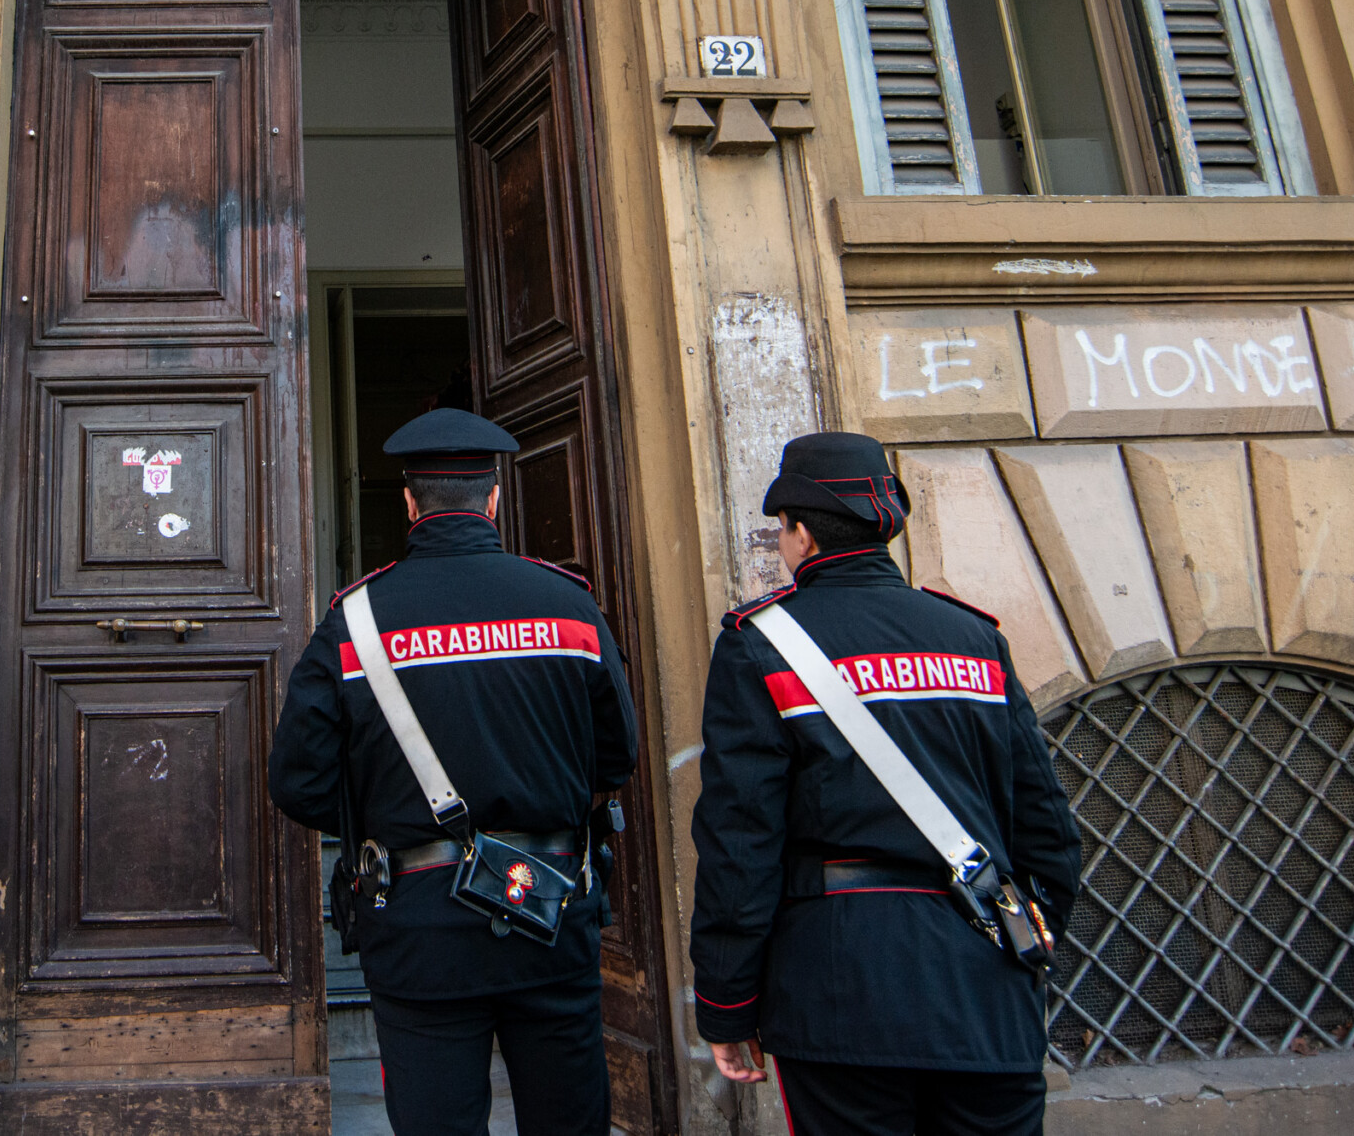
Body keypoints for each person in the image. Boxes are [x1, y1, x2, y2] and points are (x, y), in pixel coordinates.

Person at [688, 432, 1081, 1136]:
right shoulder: (974, 639)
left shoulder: (760, 645)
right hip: (986, 984)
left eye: (783, 529)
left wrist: (727, 1002)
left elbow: (740, 842)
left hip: (841, 993)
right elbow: (1046, 825)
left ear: (801, 534)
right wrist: (1026, 939)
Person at [270, 406, 638, 1136]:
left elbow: (298, 781)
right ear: (493, 500)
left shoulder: (355, 620)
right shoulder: (569, 607)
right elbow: (616, 757)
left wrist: (384, 813)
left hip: (418, 921)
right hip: (549, 905)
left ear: (409, 504)